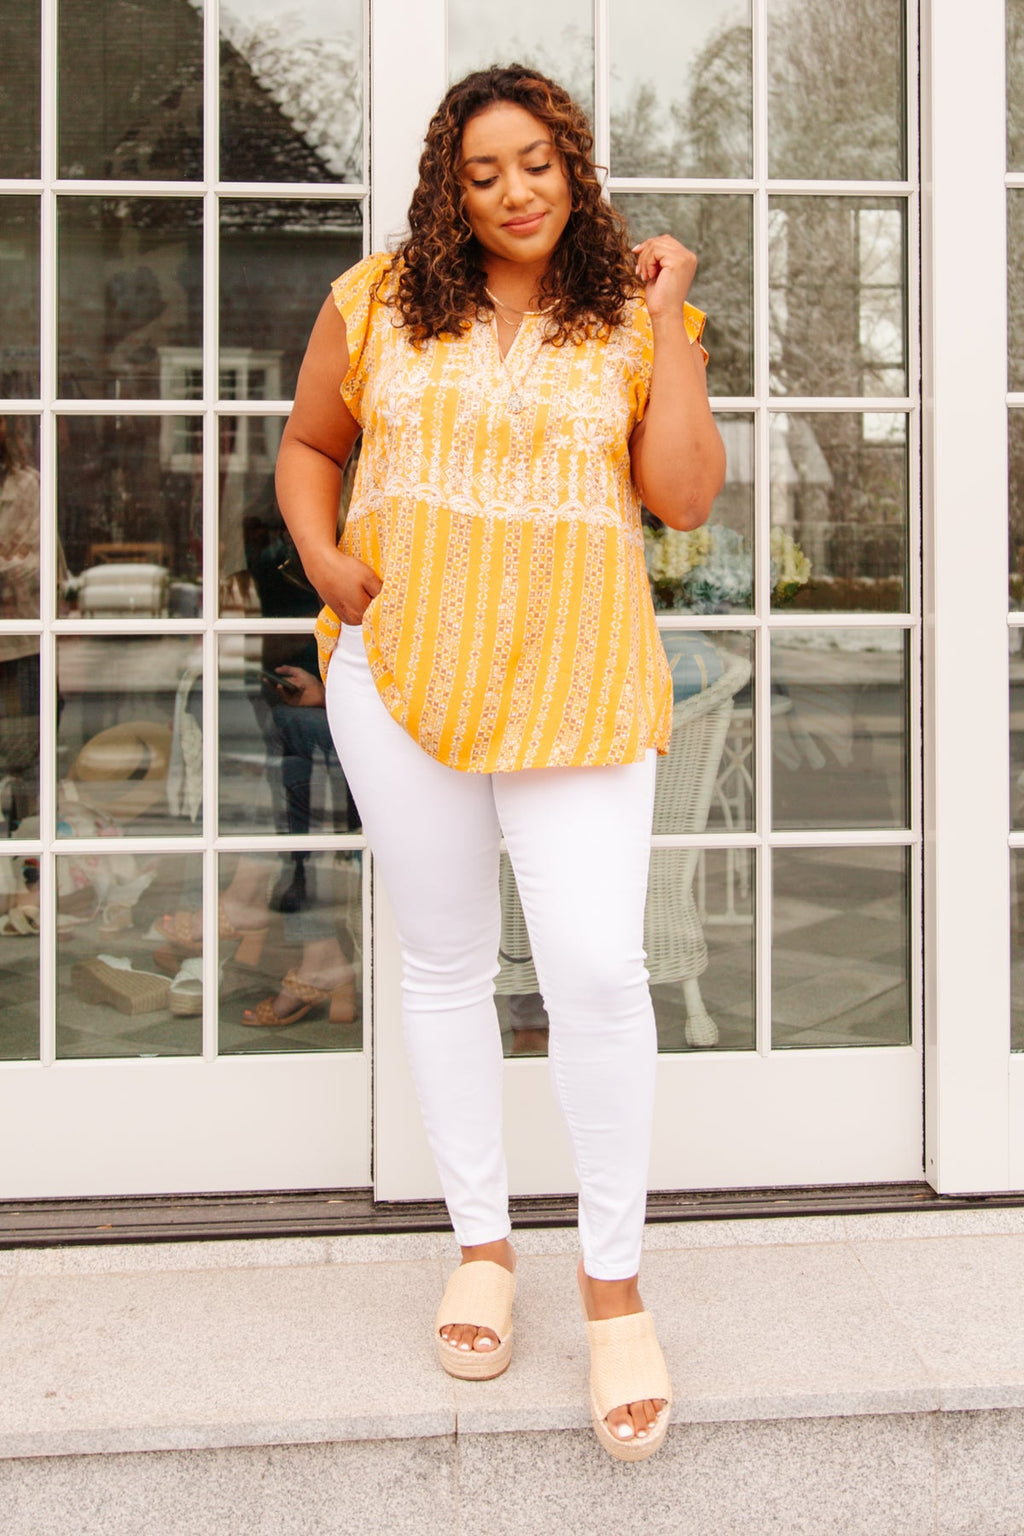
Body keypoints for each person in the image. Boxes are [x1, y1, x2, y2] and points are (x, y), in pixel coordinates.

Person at [275, 64, 724, 1462]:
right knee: (445, 960)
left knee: (595, 971)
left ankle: (613, 1286)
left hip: (580, 680)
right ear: (448, 188)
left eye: (537, 162)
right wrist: (327, 561)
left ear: (573, 167)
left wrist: (671, 321)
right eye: (484, 172)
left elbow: (684, 495)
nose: (514, 190)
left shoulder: (636, 314)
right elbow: (309, 443)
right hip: (402, 676)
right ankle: (482, 1246)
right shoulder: (376, 299)